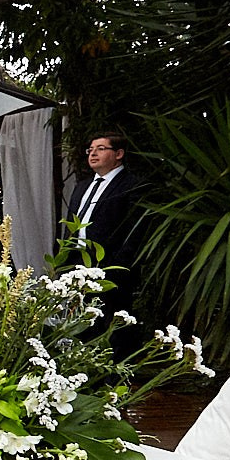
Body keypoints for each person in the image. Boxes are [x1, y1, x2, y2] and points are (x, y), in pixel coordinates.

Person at [65, 131, 145, 351]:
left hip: (110, 265)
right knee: (78, 319)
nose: (93, 154)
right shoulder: (82, 186)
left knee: (109, 322)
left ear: (118, 153)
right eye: (90, 150)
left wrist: (119, 264)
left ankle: (110, 375)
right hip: (76, 262)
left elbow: (134, 230)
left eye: (100, 149)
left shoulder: (131, 184)